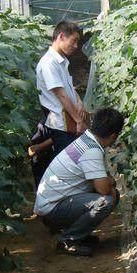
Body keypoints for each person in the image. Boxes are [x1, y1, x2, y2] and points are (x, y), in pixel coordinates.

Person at [33, 108, 124, 256]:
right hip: (53, 210)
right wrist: (111, 188)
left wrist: (108, 183)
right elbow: (104, 190)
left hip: (51, 205)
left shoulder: (86, 139)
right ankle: (67, 241)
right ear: (114, 136)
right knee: (106, 201)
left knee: (107, 195)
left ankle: (79, 235)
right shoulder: (92, 150)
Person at [36, 21, 90, 157]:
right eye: (74, 41)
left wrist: (80, 103)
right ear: (61, 36)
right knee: (69, 166)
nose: (76, 46)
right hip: (62, 127)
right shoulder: (49, 63)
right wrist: (78, 120)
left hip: (69, 124)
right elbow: (61, 95)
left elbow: (69, 88)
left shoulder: (61, 61)